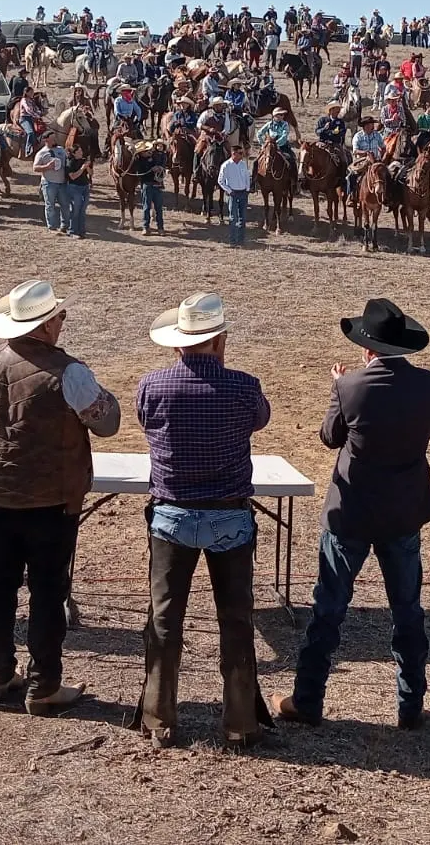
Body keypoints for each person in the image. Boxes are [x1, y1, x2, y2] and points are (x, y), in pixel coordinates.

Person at [0, 281, 121, 712]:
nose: (62, 323)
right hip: (53, 502)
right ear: (45, 325)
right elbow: (107, 423)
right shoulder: (70, 373)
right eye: (59, 316)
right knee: (47, 590)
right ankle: (44, 685)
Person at [272, 299, 430, 730]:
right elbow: (427, 429)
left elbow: (330, 437)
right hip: (403, 511)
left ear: (368, 349)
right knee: (407, 609)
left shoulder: (350, 386)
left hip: (351, 512)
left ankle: (307, 699)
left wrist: (338, 388)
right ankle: (410, 705)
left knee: (328, 608)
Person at [135, 293, 272, 746]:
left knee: (164, 618)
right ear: (221, 340)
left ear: (178, 343)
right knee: (235, 619)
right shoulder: (244, 386)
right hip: (228, 514)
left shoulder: (152, 386)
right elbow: (259, 419)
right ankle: (240, 722)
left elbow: (144, 421)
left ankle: (158, 716)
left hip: (171, 514)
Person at [31, 127, 68, 233]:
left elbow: (67, 163)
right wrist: (47, 167)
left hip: (62, 183)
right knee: (50, 205)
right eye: (52, 139)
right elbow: (35, 168)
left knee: (65, 204)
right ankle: (52, 226)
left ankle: (64, 225)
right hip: (49, 183)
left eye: (55, 138)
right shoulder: (41, 153)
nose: (55, 140)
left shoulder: (61, 150)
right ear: (46, 140)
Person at [218, 142, 252, 244]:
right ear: (233, 154)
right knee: (233, 218)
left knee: (243, 218)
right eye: (240, 153)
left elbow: (246, 177)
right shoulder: (226, 165)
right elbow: (220, 181)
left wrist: (247, 189)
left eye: (242, 153)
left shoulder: (242, 164)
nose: (242, 155)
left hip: (243, 193)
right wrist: (229, 191)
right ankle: (233, 240)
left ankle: (241, 240)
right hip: (233, 194)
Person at [63, 139, 92, 238]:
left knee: (82, 210)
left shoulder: (83, 161)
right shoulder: (70, 162)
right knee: (75, 210)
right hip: (74, 188)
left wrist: (87, 167)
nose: (81, 153)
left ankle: (81, 230)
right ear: (74, 154)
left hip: (84, 187)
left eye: (81, 151)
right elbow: (73, 176)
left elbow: (91, 173)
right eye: (79, 152)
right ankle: (73, 231)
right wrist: (82, 169)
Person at [141, 141, 167, 235]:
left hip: (157, 184)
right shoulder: (141, 159)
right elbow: (141, 171)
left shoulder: (162, 157)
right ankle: (146, 227)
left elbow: (163, 166)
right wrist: (151, 169)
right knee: (146, 207)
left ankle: (160, 228)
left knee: (159, 208)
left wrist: (160, 168)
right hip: (147, 184)